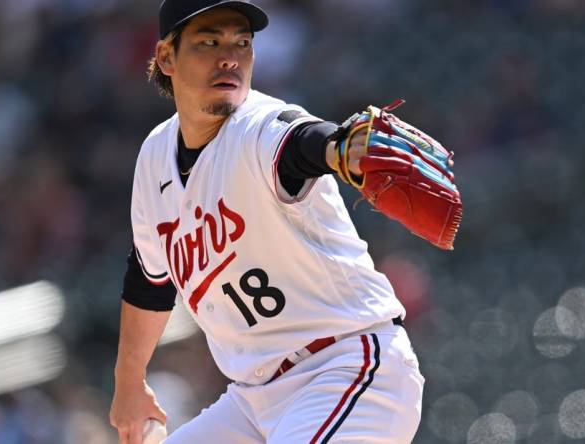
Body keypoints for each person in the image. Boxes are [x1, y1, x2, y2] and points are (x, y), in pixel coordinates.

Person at [109, 1, 425, 442]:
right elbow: (148, 277)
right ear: (166, 58)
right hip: (252, 400)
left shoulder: (258, 126)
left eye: (242, 43)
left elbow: (301, 141)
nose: (229, 57)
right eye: (209, 42)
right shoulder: (154, 156)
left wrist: (335, 149)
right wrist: (129, 382)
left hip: (345, 367)